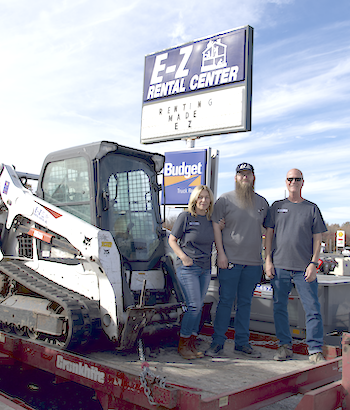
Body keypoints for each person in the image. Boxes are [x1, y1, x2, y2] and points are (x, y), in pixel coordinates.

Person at [205, 163, 268, 358]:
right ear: (235, 178)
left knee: (245, 304)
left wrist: (267, 259)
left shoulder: (262, 203)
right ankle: (217, 343)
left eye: (247, 174)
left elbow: (268, 231)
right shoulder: (224, 200)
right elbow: (215, 226)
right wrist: (221, 254)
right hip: (229, 261)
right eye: (241, 175)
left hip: (253, 263)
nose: (244, 178)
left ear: (253, 177)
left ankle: (242, 343)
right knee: (225, 302)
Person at [265, 168, 327, 364]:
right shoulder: (276, 207)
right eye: (290, 179)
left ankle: (315, 349)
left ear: (302, 182)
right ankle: (284, 346)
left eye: (297, 179)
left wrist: (313, 263)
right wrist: (268, 260)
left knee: (312, 308)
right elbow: (268, 236)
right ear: (285, 182)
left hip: (304, 268)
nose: (293, 182)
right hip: (280, 266)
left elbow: (318, 238)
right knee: (279, 307)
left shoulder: (312, 208)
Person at [168, 185, 222, 360]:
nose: (204, 200)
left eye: (207, 198)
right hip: (187, 268)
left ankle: (191, 343)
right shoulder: (185, 217)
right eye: (200, 197)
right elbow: (172, 240)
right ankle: (183, 343)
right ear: (194, 199)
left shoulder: (210, 220)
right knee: (193, 306)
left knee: (198, 308)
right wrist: (183, 257)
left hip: (205, 269)